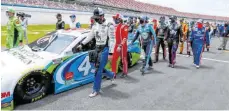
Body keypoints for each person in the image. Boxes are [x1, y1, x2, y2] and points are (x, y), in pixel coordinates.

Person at [77, 7, 115, 97]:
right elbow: (89, 36)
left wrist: (111, 53)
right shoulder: (95, 25)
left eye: (97, 17)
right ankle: (112, 74)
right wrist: (82, 44)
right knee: (97, 67)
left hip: (105, 49)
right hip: (96, 48)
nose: (96, 19)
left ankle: (95, 90)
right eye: (95, 17)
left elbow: (113, 40)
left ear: (102, 16)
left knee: (97, 70)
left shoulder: (109, 25)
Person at [111, 14, 129, 78]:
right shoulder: (115, 26)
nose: (115, 19)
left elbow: (125, 38)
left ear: (120, 19)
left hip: (123, 46)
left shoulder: (124, 27)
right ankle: (113, 74)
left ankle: (125, 72)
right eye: (114, 18)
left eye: (116, 18)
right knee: (113, 59)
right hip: (117, 45)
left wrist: (120, 45)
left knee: (123, 59)